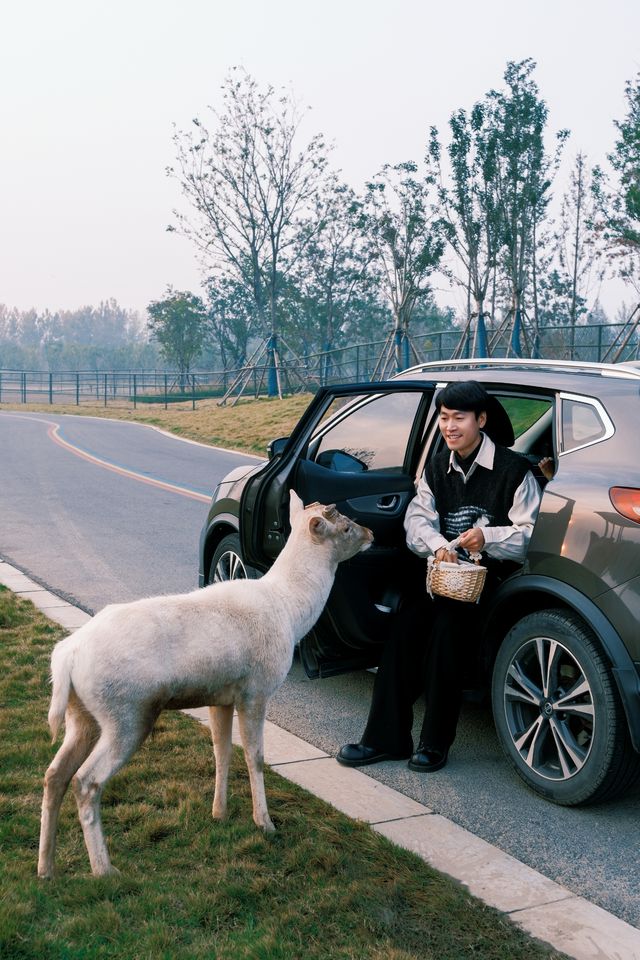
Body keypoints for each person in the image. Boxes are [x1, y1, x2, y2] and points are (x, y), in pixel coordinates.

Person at [337, 380, 543, 773]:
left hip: (487, 582)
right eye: (444, 418)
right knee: (403, 634)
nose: (450, 426)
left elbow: (528, 535)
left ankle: (434, 744)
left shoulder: (515, 471)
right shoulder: (436, 466)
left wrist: (488, 537)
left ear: (480, 420)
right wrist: (437, 546)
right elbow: (417, 519)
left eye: (459, 418)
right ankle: (385, 740)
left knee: (448, 636)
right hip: (441, 575)